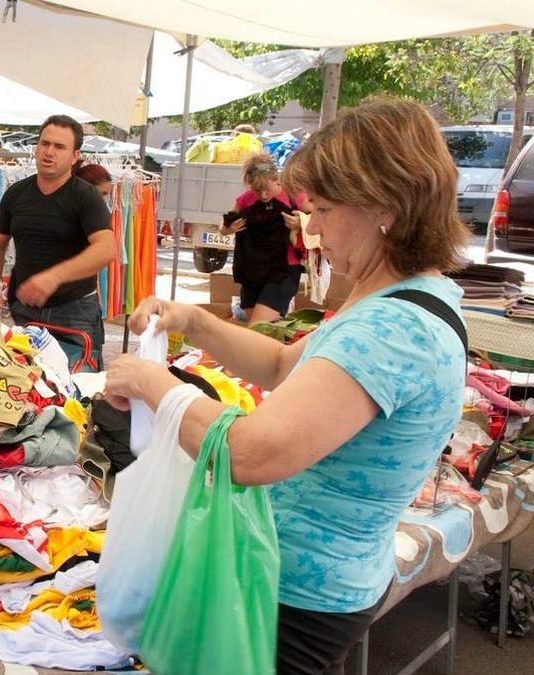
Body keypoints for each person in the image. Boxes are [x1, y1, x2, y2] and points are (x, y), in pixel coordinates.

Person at [106, 97, 469, 675]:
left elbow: (249, 453)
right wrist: (193, 320)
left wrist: (156, 384)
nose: (313, 227)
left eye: (322, 209)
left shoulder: (393, 326)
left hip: (300, 593)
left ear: (386, 206)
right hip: (303, 576)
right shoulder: (397, 297)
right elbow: (282, 365)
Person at [0, 115, 116, 371]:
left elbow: (106, 248)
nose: (49, 152)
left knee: (77, 390)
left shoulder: (86, 196)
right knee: (26, 383)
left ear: (75, 156)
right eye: (45, 144)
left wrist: (54, 277)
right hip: (25, 308)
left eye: (59, 147)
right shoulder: (17, 193)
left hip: (74, 312)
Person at [221, 151, 312, 323]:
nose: (263, 195)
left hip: (284, 269)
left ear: (275, 179)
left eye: (267, 189)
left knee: (259, 326)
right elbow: (223, 228)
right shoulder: (246, 199)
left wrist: (301, 222)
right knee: (260, 327)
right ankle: (282, 346)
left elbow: (320, 215)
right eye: (257, 190)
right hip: (252, 270)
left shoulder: (294, 194)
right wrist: (229, 228)